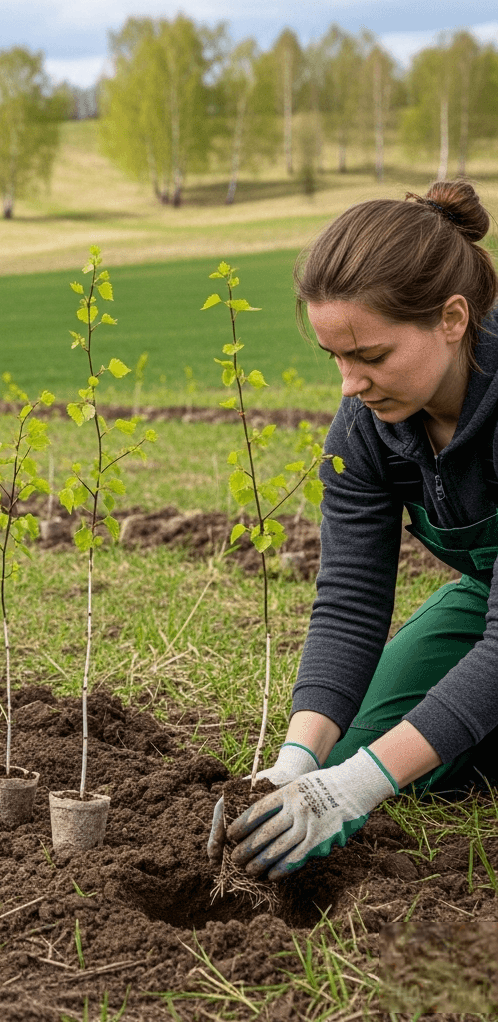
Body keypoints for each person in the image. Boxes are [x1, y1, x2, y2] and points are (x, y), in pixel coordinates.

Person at [208, 178, 498, 881]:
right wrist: (297, 765)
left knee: (377, 772)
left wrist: (361, 787)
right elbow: (350, 598)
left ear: (452, 318)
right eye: (335, 357)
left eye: (370, 356)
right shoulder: (367, 427)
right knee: (361, 757)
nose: (350, 383)